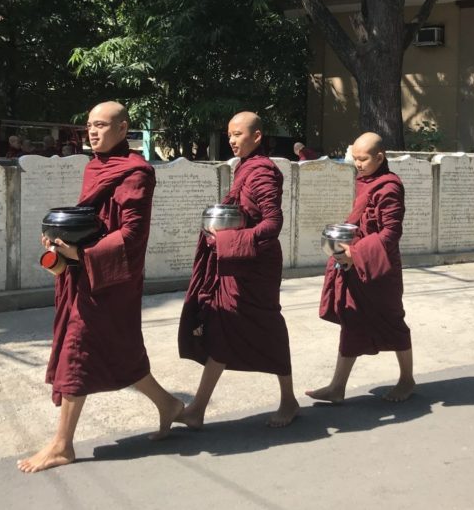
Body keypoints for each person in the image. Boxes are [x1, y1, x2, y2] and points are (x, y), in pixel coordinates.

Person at [18, 101, 183, 473]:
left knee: (78, 348)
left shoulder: (136, 172)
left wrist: (81, 251)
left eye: (102, 126)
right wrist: (62, 238)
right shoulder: (96, 166)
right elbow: (92, 218)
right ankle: (169, 405)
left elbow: (132, 234)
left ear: (124, 129)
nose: (93, 132)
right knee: (117, 349)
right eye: (90, 125)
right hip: (84, 267)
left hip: (110, 275)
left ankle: (62, 445)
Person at [177, 111, 299, 428]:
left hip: (256, 266)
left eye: (238, 134)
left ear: (256, 136)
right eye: (229, 134)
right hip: (235, 260)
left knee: (268, 330)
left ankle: (289, 399)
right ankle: (198, 409)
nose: (231, 140)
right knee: (221, 327)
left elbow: (273, 223)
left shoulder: (263, 172)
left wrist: (230, 240)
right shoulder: (244, 167)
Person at [306, 132, 415, 403]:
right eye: (355, 159)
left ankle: (407, 379)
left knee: (393, 323)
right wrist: (344, 243)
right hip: (357, 260)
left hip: (379, 265)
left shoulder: (389, 187)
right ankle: (337, 387)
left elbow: (390, 233)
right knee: (352, 321)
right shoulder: (366, 181)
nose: (358, 164)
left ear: (380, 157)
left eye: (364, 159)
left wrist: (356, 253)